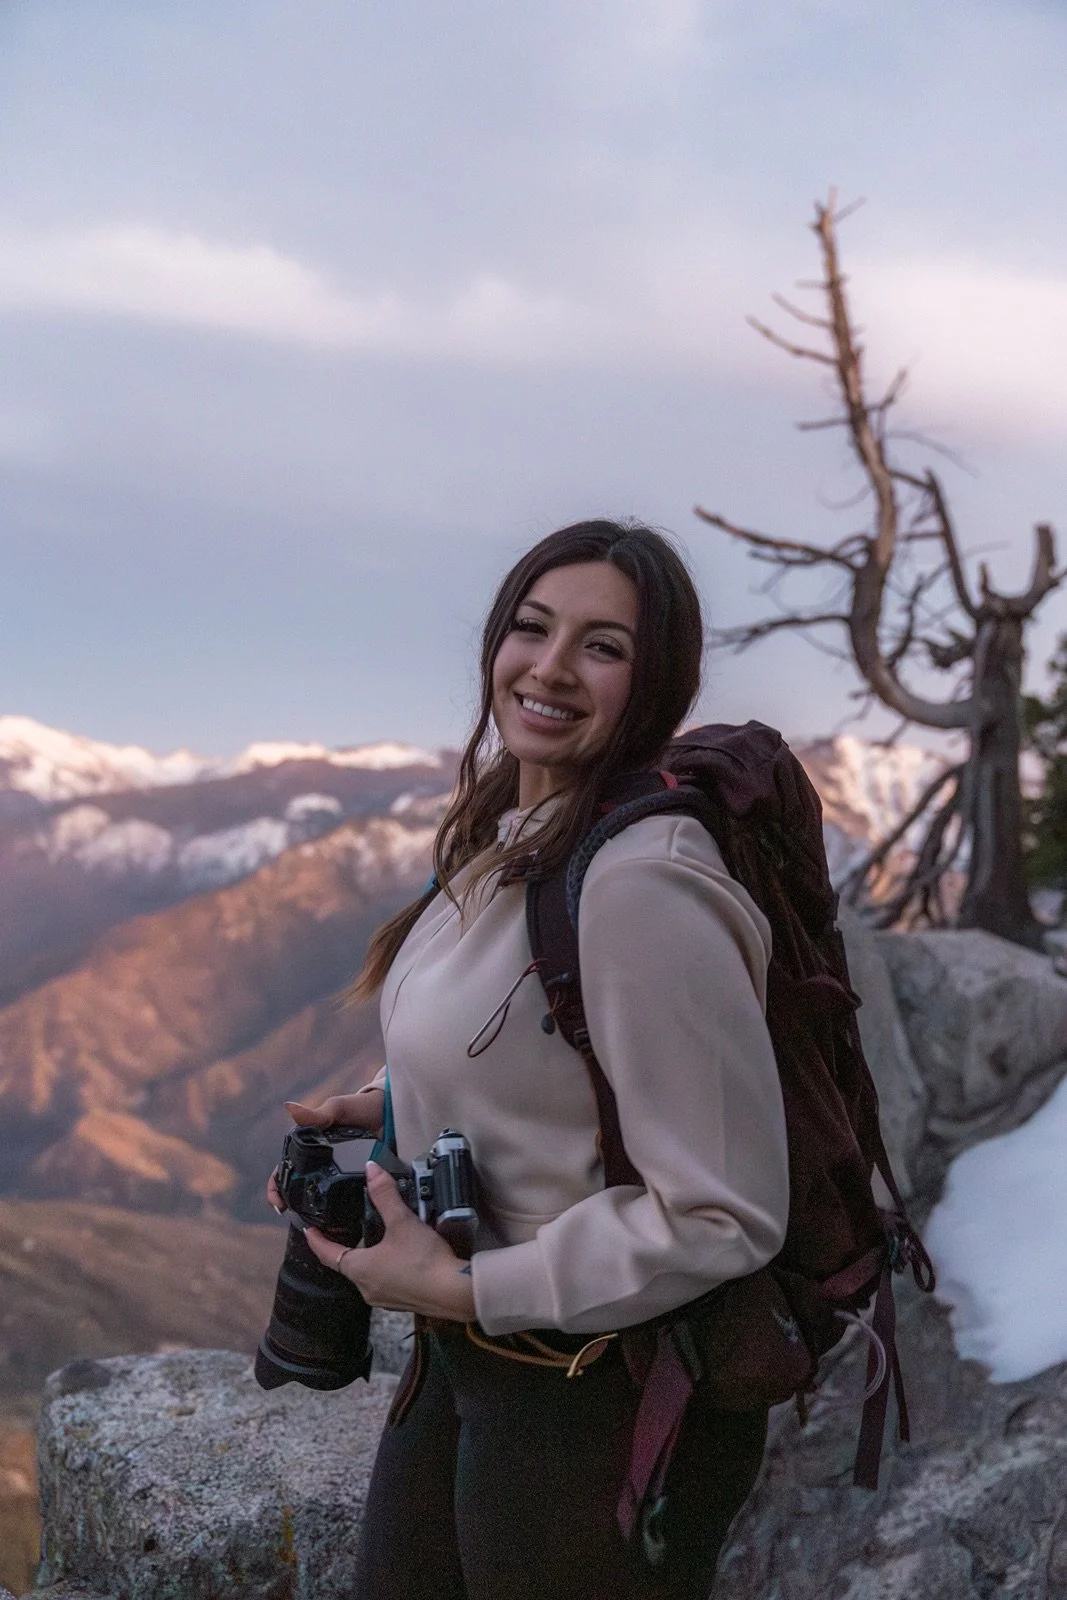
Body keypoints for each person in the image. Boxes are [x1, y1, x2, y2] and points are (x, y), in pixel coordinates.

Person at [268, 520, 790, 1600]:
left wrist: (466, 1284)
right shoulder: (511, 830)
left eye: (600, 645)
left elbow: (722, 1212)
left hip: (585, 1404)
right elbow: (546, 1052)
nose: (548, 666)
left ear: (655, 685)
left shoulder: (643, 885)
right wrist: (386, 1108)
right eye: (530, 627)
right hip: (468, 1366)